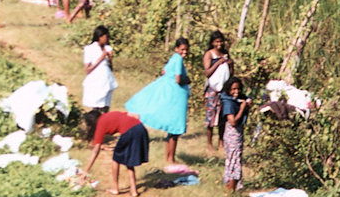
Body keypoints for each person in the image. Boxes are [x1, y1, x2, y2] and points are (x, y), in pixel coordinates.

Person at [125, 38, 191, 167]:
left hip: (173, 95)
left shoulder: (173, 58)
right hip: (176, 98)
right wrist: (187, 80)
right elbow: (178, 79)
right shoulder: (178, 59)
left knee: (173, 128)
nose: (184, 52)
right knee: (175, 129)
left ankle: (168, 157)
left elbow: (164, 71)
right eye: (182, 49)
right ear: (177, 49)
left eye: (186, 50)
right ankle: (170, 159)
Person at [83, 111, 149, 197]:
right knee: (128, 160)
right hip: (141, 128)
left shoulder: (100, 124)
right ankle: (133, 190)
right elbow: (135, 115)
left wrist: (86, 171)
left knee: (116, 159)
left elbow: (96, 150)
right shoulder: (109, 115)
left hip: (129, 132)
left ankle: (115, 188)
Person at [82, 25, 119, 134]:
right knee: (96, 108)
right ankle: (92, 131)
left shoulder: (108, 48)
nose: (107, 39)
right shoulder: (90, 49)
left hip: (107, 80)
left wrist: (110, 59)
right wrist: (100, 58)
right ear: (100, 36)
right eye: (105, 37)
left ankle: (103, 131)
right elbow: (87, 70)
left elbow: (111, 68)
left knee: (105, 108)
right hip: (96, 81)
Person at [203, 31, 234, 154]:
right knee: (210, 117)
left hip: (224, 90)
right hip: (213, 90)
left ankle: (221, 142)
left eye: (221, 41)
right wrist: (218, 62)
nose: (219, 44)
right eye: (216, 42)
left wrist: (230, 65)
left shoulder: (225, 54)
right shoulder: (209, 54)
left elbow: (231, 74)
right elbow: (207, 72)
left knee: (222, 117)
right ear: (212, 43)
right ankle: (209, 144)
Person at [220, 77, 250, 193]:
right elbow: (233, 122)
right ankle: (231, 189)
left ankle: (232, 186)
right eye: (233, 89)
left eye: (238, 89)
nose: (236, 92)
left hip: (237, 133)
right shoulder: (228, 103)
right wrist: (242, 109)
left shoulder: (235, 99)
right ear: (228, 90)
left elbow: (245, 98)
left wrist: (248, 102)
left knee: (233, 159)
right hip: (233, 134)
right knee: (234, 160)